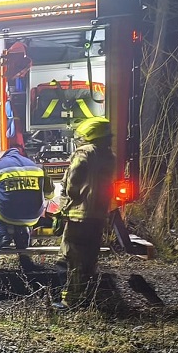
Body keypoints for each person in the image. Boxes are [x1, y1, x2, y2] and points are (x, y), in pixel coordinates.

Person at [53, 116, 116, 310]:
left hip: (78, 215)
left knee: (71, 258)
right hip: (97, 215)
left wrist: (61, 210)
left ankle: (70, 302)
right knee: (89, 258)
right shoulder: (109, 156)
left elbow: (72, 184)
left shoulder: (83, 153)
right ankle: (86, 297)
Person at [0, 146, 47, 251]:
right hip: (34, 215)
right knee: (19, 209)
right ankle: (23, 236)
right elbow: (47, 192)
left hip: (8, 213)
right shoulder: (34, 165)